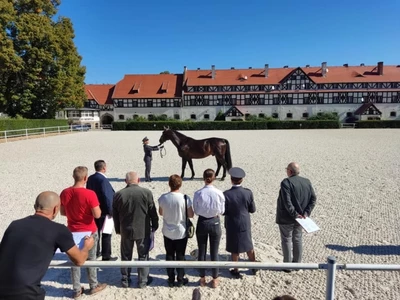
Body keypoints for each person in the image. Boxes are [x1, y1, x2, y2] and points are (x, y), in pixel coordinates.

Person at [0, 191, 95, 300]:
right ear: (55, 209)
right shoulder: (59, 230)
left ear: (35, 206)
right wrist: (86, 246)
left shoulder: (14, 224)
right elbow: (79, 260)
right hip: (27, 293)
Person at [60, 166, 107, 298]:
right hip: (89, 230)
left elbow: (63, 212)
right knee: (91, 258)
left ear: (73, 177)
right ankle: (93, 285)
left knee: (75, 260)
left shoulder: (64, 192)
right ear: (86, 178)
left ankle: (76, 289)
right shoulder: (90, 194)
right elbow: (97, 215)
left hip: (72, 230)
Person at [113, 171, 159, 288]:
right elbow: (152, 211)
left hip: (126, 229)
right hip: (143, 230)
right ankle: (143, 281)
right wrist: (155, 224)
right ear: (138, 180)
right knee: (143, 255)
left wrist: (118, 229)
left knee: (126, 255)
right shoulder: (146, 193)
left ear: (125, 181)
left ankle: (125, 280)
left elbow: (115, 215)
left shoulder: (118, 194)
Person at [276, 162, 316, 272]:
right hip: (301, 218)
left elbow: (287, 202)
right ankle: (297, 264)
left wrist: (294, 214)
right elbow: (313, 199)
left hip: (287, 217)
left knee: (287, 240)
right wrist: (306, 213)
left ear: (289, 171)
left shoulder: (286, 182)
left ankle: (287, 265)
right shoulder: (307, 182)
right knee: (297, 239)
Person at [158, 174, 194, 287]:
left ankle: (170, 278)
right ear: (180, 184)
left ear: (169, 184)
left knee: (169, 254)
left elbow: (161, 212)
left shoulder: (163, 197)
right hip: (181, 231)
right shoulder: (185, 198)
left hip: (168, 231)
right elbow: (191, 214)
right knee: (180, 255)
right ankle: (180, 277)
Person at [193, 169, 225, 288]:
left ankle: (202, 278)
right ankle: (215, 278)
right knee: (214, 252)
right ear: (214, 178)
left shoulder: (198, 193)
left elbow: (196, 210)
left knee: (202, 251)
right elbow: (222, 210)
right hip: (214, 220)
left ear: (203, 178)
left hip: (202, 221)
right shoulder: (219, 193)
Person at [223, 167, 257, 279]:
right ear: (241, 180)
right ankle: (253, 265)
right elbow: (252, 209)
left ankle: (236, 269)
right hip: (244, 222)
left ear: (231, 179)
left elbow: (224, 211)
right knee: (248, 244)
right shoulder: (248, 193)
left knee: (234, 247)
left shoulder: (226, 194)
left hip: (232, 222)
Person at [86, 159, 116, 261]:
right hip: (104, 210)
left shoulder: (90, 178)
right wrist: (111, 211)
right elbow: (107, 196)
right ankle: (106, 255)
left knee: (95, 232)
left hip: (94, 209)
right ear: (104, 168)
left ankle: (96, 252)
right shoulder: (103, 180)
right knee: (106, 233)